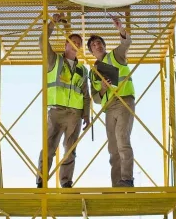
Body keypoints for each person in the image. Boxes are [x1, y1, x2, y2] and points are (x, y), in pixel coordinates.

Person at [36, 13, 90, 188]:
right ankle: (41, 181)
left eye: (79, 43)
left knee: (70, 151)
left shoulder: (82, 69)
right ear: (66, 44)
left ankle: (66, 182)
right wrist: (53, 23)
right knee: (49, 147)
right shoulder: (54, 61)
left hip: (75, 114)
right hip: (56, 112)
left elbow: (86, 95)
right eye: (73, 42)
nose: (76, 45)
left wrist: (86, 115)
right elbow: (42, 42)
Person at [87, 16, 135, 187]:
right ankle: (117, 185)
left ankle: (127, 179)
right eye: (94, 45)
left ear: (104, 45)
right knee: (113, 148)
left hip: (123, 101)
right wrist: (102, 89)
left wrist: (120, 29)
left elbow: (126, 43)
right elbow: (95, 98)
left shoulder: (116, 56)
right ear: (91, 51)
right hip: (109, 108)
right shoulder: (92, 72)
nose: (97, 45)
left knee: (122, 140)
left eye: (99, 43)